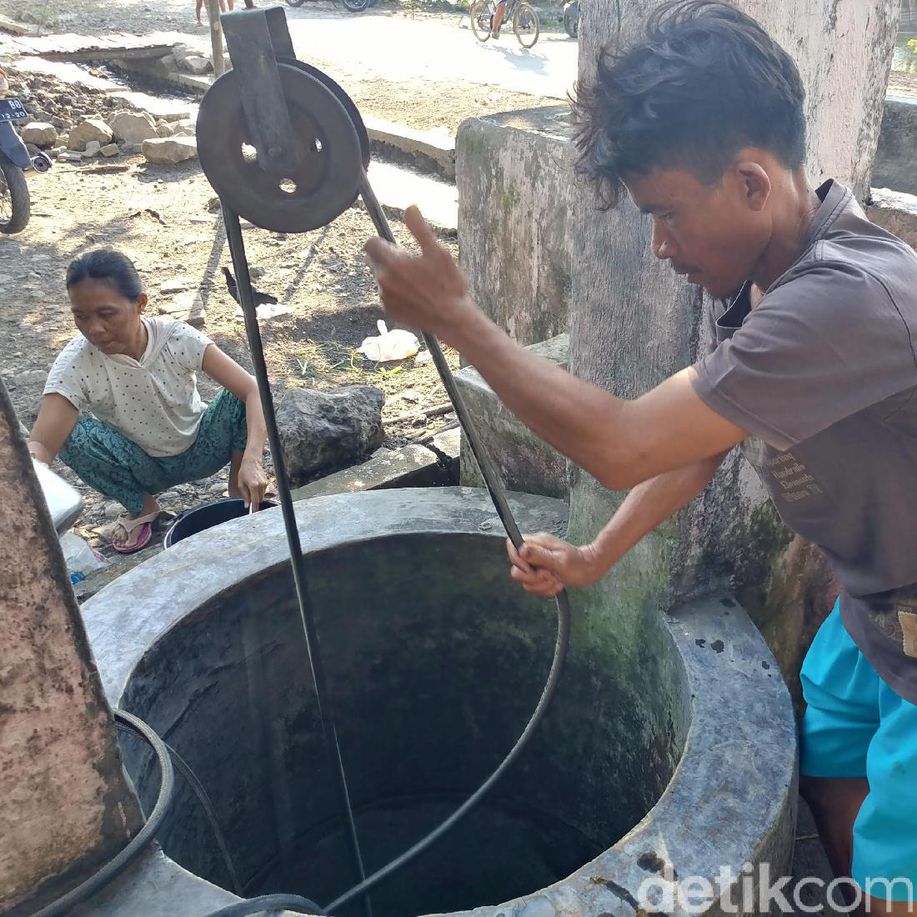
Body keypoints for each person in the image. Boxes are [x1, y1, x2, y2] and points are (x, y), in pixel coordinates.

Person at [365, 2, 917, 913]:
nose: (657, 245)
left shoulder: (844, 302)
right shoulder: (763, 278)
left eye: (664, 215)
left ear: (748, 181)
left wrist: (459, 321)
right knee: (829, 753)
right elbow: (689, 449)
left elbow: (621, 443)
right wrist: (595, 555)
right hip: (876, 603)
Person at [28, 249, 269, 553]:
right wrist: (24, 472)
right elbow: (43, 444)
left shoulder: (176, 338)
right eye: (81, 316)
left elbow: (254, 390)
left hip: (202, 445)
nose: (94, 329)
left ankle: (240, 490)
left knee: (239, 396)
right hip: (140, 465)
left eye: (106, 314)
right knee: (71, 435)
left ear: (140, 303)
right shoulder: (75, 365)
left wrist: (253, 460)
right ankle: (142, 508)